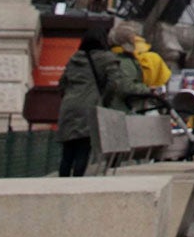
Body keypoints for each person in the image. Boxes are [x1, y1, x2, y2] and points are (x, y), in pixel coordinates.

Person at [56, 26, 140, 176]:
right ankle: (76, 185)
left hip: (68, 106)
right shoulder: (107, 58)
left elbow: (62, 83)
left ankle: (61, 185)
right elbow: (114, 83)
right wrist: (104, 101)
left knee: (67, 153)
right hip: (90, 106)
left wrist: (69, 98)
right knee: (83, 149)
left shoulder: (74, 58)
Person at [111, 20, 170, 93]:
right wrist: (150, 90)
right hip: (146, 98)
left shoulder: (116, 59)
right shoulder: (154, 58)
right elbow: (127, 87)